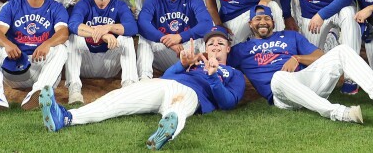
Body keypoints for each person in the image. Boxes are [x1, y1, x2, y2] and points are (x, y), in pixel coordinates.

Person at [38, 25, 248, 150]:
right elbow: (168, 77)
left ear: (228, 48)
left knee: (178, 105)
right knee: (118, 99)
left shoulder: (234, 74)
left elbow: (228, 103)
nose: (215, 46)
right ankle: (66, 118)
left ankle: (165, 132)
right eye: (211, 43)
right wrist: (182, 65)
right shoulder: (195, 62)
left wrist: (213, 78)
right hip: (164, 84)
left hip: (193, 95)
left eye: (220, 43)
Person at [225, 4, 373, 124]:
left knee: (342, 50)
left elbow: (320, 56)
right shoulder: (242, 49)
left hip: (306, 82)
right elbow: (221, 63)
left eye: (266, 18)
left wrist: (298, 58)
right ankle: (339, 112)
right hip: (282, 94)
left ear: (273, 22)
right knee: (279, 76)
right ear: (250, 24)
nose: (263, 22)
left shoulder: (291, 36)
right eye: (258, 19)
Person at [64, 0, 141, 105]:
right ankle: (74, 88)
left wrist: (109, 27)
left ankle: (129, 87)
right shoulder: (84, 3)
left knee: (126, 38)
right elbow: (73, 24)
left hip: (109, 63)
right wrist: (102, 34)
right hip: (85, 63)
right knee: (73, 38)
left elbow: (132, 27)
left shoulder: (119, 5)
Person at [137, 0, 212, 80]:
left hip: (188, 51)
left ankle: (205, 74)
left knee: (206, 37)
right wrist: (165, 39)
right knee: (144, 38)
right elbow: (142, 23)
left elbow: (207, 23)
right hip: (164, 50)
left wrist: (180, 37)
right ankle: (145, 79)